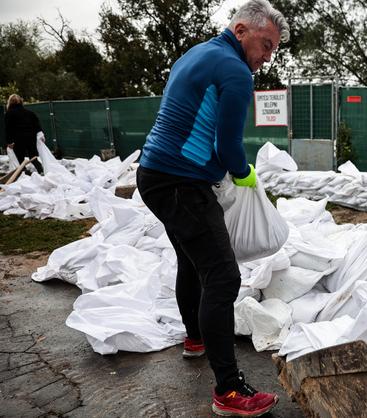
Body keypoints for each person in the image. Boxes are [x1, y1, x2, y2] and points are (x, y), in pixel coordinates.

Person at [135, 1, 289, 416]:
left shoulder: (197, 53)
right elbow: (227, 146)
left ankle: (194, 339)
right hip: (181, 183)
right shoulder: (235, 71)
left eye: (274, 50)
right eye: (266, 44)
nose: (267, 57)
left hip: (154, 174)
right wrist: (244, 173)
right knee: (222, 275)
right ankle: (229, 391)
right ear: (241, 30)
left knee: (192, 260)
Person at [4, 94, 45, 175]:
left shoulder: (9, 113)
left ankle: (25, 173)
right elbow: (37, 125)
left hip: (18, 139)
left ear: (10, 102)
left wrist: (9, 142)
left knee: (19, 158)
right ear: (21, 101)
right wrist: (41, 135)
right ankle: (41, 171)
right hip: (31, 138)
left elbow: (8, 128)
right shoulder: (30, 113)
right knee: (33, 157)